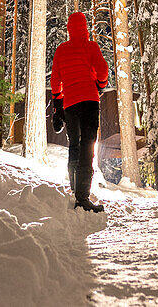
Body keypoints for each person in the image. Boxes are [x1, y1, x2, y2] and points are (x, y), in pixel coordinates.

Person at [50, 11, 109, 213]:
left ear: (69, 29)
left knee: (74, 143)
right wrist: (100, 85)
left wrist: (58, 103)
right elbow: (103, 71)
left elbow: (55, 81)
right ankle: (82, 197)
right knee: (88, 145)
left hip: (70, 104)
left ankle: (75, 189)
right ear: (85, 28)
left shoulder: (61, 50)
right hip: (90, 101)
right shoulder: (91, 47)